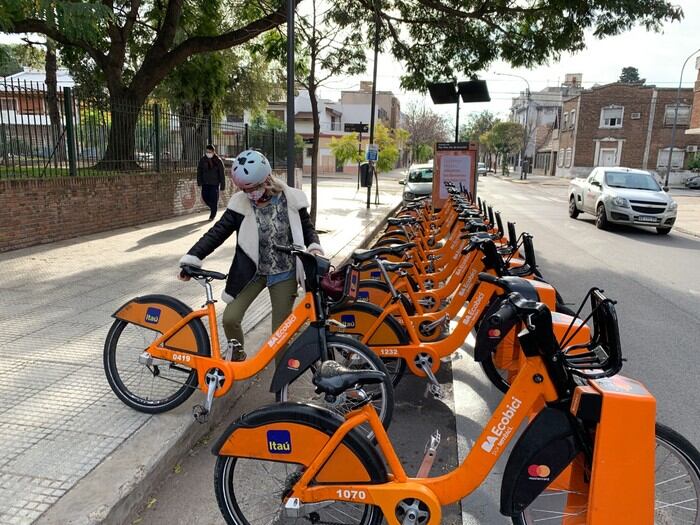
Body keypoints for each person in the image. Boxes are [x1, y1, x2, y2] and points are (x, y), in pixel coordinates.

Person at [179, 149, 323, 362]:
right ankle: (237, 359)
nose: (250, 194)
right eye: (245, 190)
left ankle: (280, 387)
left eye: (254, 188)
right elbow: (216, 233)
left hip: (284, 272)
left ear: (266, 179)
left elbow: (307, 228)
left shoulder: (290, 199)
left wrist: (314, 248)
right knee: (230, 318)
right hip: (251, 272)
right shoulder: (240, 204)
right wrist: (192, 258)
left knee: (279, 335)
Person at [197, 144, 226, 221]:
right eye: (207, 152)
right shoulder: (203, 160)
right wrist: (199, 182)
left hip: (214, 184)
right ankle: (214, 207)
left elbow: (222, 174)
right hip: (205, 183)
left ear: (213, 152)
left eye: (209, 152)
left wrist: (222, 186)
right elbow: (199, 171)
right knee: (205, 197)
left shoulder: (218, 161)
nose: (208, 153)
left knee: (213, 199)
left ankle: (212, 215)